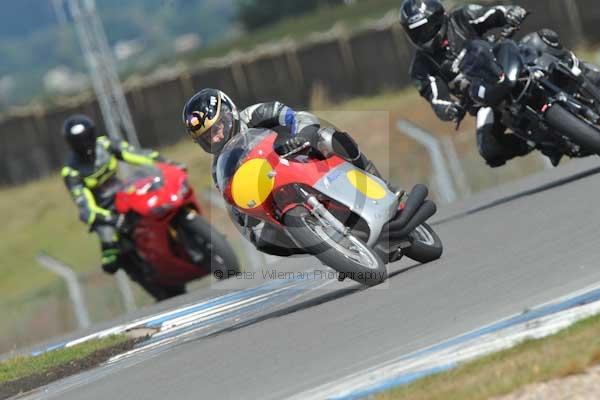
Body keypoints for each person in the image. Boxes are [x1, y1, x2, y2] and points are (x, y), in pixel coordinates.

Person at [182, 88, 387, 256]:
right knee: (262, 237)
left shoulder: (256, 114)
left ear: (229, 114)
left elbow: (295, 117)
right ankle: (328, 248)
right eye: (206, 138)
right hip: (278, 193)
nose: (214, 139)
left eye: (215, 130)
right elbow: (235, 202)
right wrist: (249, 222)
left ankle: (375, 179)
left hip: (304, 156)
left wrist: (302, 134)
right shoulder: (219, 166)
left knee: (328, 136)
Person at [400, 0, 600, 167]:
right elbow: (435, 97)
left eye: (427, 29)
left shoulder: (461, 17)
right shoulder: (421, 67)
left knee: (542, 40)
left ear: (439, 19)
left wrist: (509, 13)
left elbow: (491, 13)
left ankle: (586, 73)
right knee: (488, 148)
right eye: (418, 34)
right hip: (483, 101)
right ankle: (532, 141)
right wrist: (448, 109)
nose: (424, 36)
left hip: (503, 62)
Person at [61, 115, 168, 274]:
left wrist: (163, 163)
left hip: (124, 193)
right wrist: (110, 218)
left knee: (157, 202)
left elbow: (136, 154)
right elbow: (85, 207)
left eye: (86, 138)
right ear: (71, 144)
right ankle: (112, 251)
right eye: (78, 141)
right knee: (110, 254)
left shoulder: (105, 144)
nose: (84, 144)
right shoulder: (71, 171)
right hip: (103, 210)